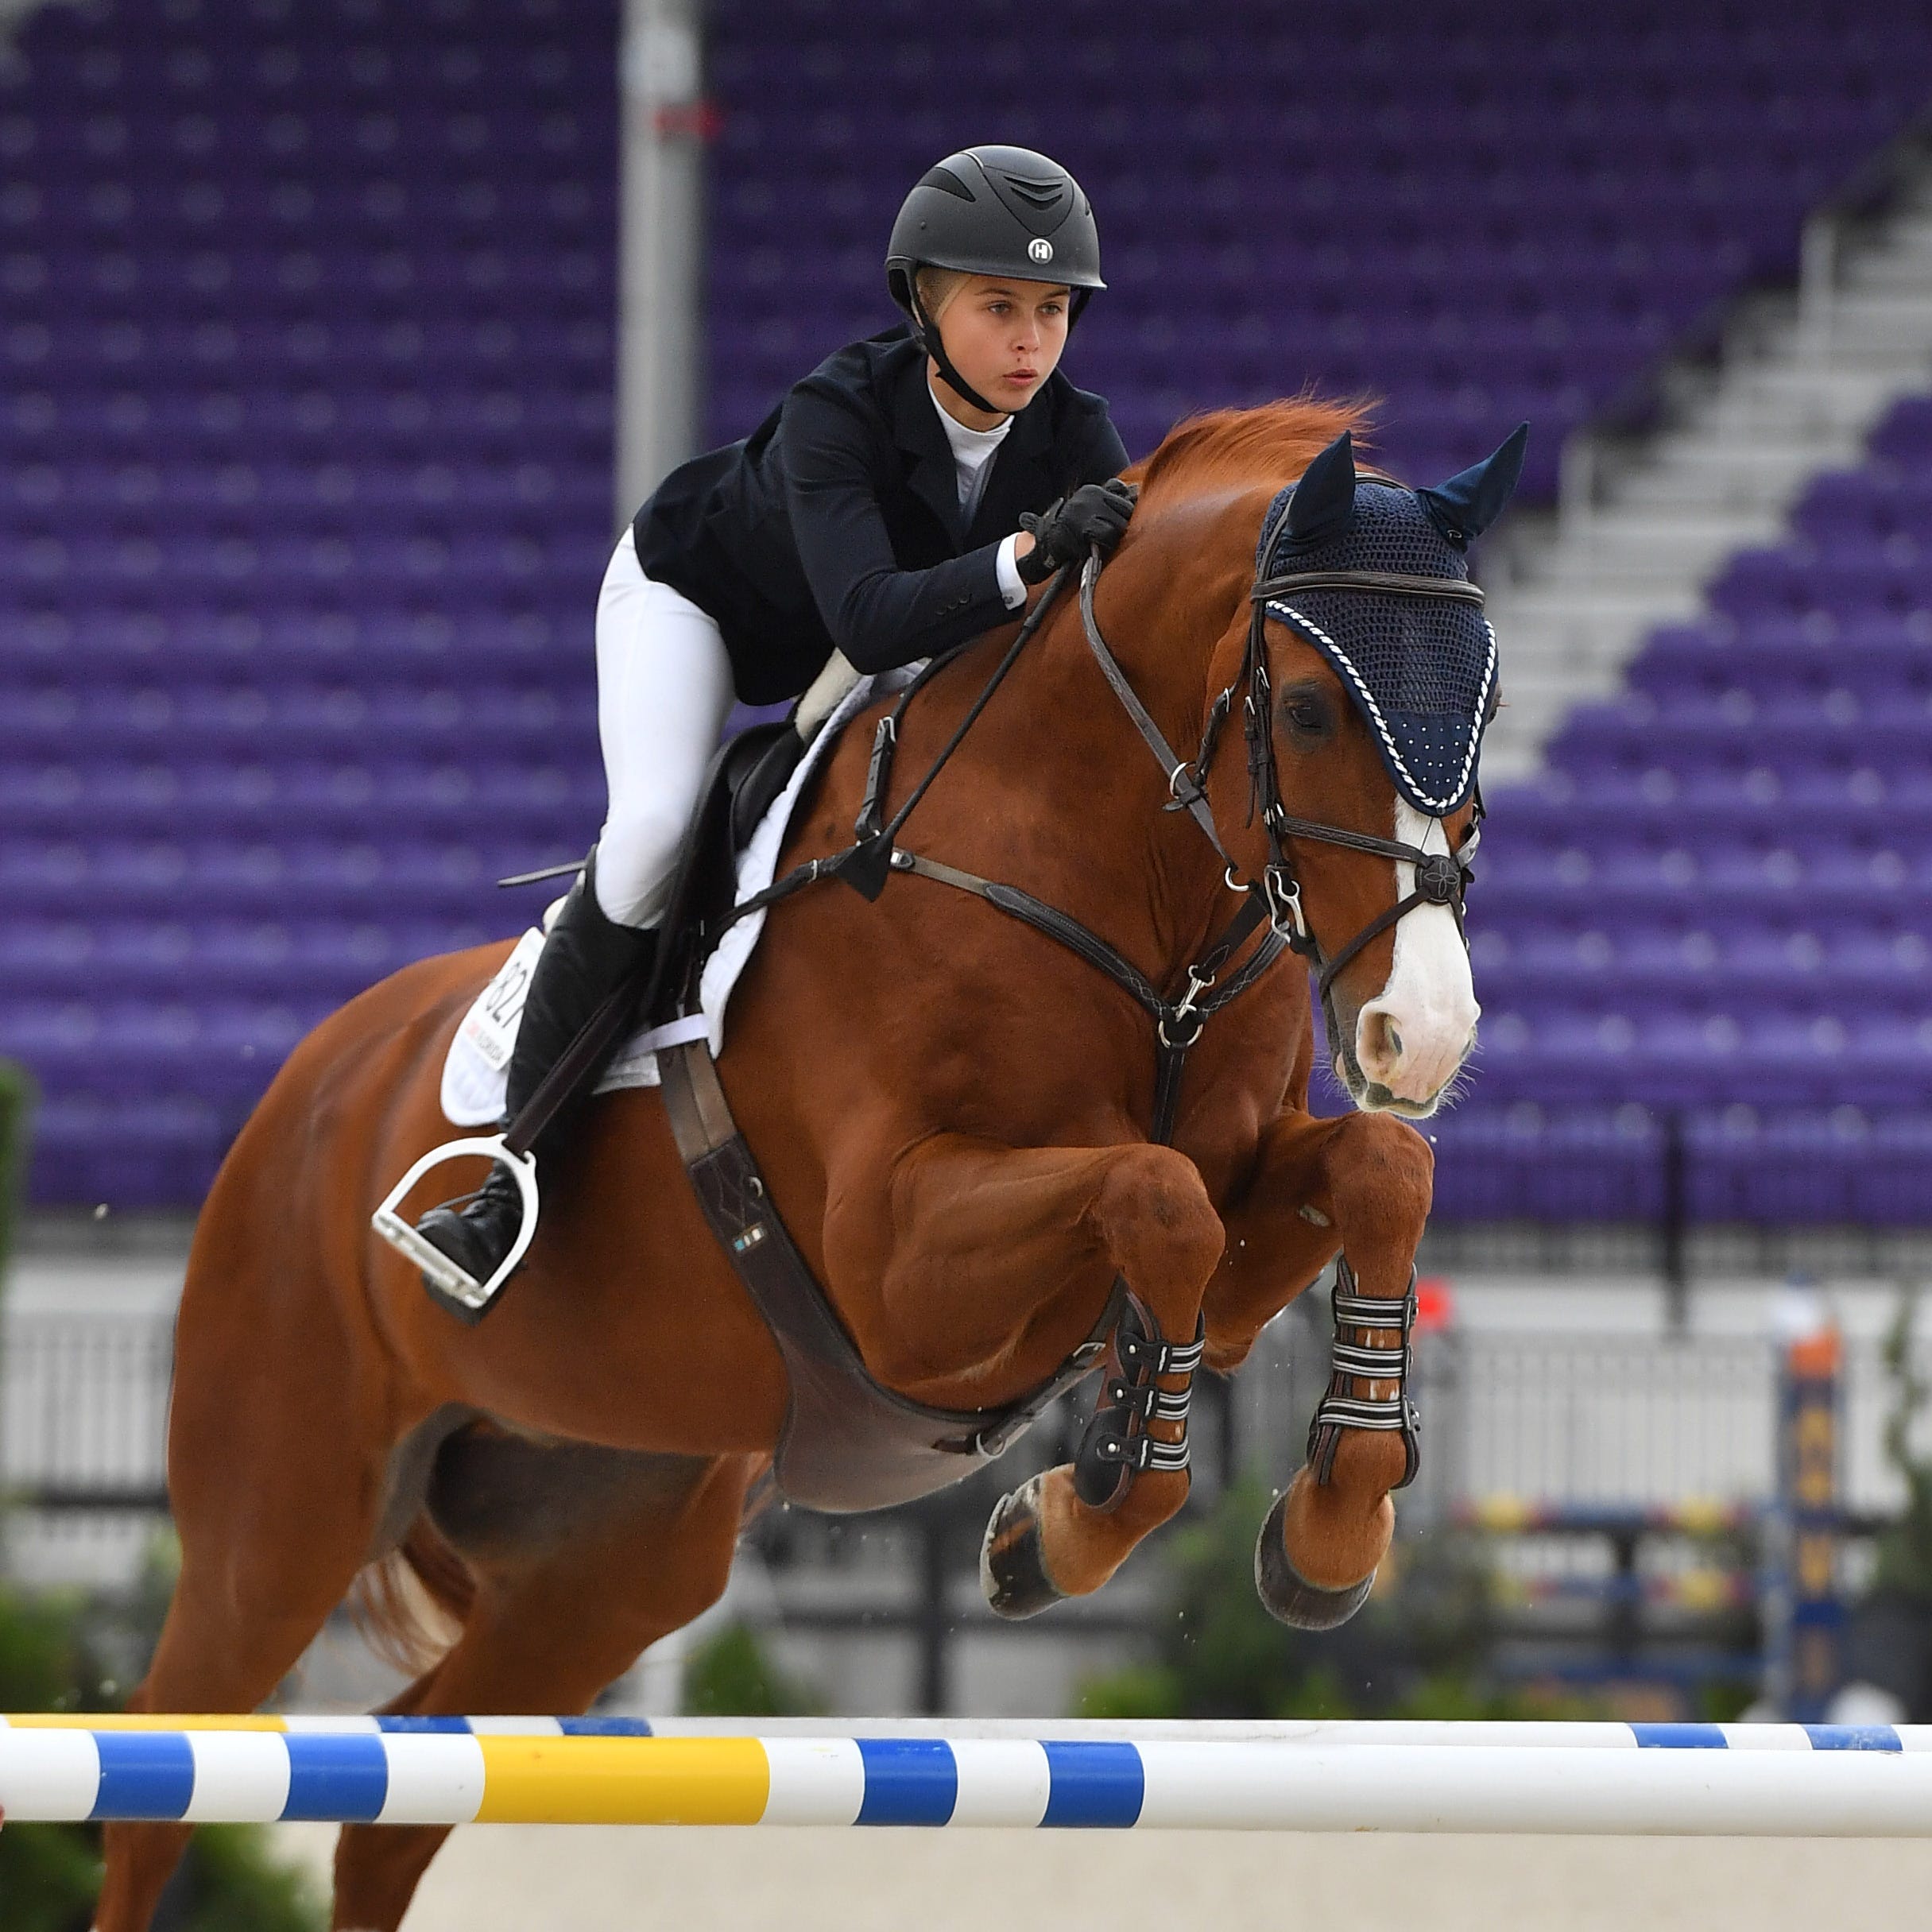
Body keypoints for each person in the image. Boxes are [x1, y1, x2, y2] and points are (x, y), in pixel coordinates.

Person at [411, 145, 1136, 1318]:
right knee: (653, 831)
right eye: (999, 307)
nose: (1030, 343)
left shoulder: (1075, 435)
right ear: (921, 303)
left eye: (1052, 312)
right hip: (700, 603)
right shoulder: (835, 411)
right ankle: (511, 1176)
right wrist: (1027, 555)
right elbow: (866, 612)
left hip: (866, 655)